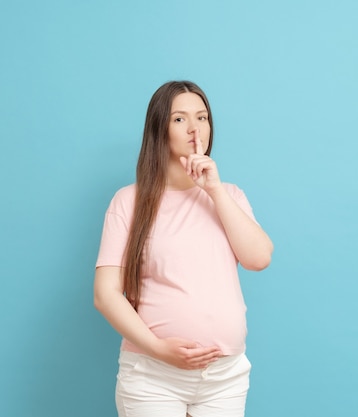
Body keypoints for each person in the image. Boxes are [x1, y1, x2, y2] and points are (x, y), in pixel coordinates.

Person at [94, 80, 273, 417]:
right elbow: (105, 295)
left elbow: (259, 258)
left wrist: (214, 191)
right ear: (158, 129)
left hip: (225, 377)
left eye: (202, 117)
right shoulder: (128, 201)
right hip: (152, 375)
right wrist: (159, 350)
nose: (194, 129)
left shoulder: (229, 196)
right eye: (179, 119)